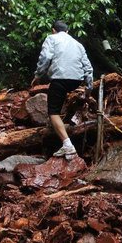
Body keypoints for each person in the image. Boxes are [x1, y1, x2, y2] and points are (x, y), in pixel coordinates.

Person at [31, 20, 93, 157]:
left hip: (60, 80)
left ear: (53, 30)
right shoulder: (78, 44)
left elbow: (45, 58)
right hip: (76, 81)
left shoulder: (51, 38)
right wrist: (89, 88)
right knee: (61, 94)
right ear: (67, 32)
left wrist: (38, 75)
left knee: (53, 112)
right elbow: (88, 67)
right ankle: (68, 123)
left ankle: (67, 144)